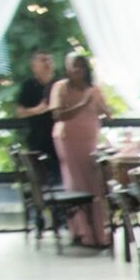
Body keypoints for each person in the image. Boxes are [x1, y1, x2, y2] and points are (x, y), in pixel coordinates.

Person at [49, 52, 110, 248]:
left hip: (90, 139)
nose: (77, 70)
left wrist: (104, 110)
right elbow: (58, 115)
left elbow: (104, 112)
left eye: (81, 65)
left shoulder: (93, 89)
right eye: (73, 65)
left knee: (95, 184)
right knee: (78, 183)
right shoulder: (60, 87)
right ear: (67, 68)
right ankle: (82, 231)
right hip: (68, 140)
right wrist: (82, 103)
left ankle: (98, 232)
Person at [14, 49, 60, 198]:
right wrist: (37, 110)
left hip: (59, 140)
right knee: (40, 181)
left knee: (60, 180)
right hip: (37, 140)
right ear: (34, 66)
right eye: (43, 60)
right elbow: (19, 112)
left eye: (49, 60)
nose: (47, 63)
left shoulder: (59, 84)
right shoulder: (29, 86)